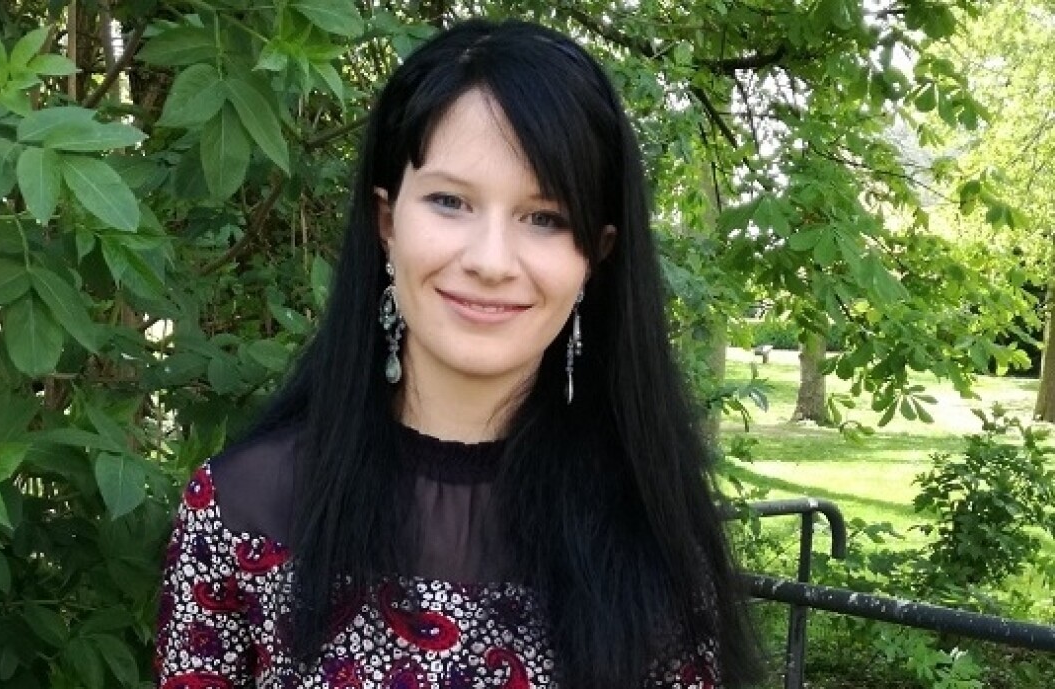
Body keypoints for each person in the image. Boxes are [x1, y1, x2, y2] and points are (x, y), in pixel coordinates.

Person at [156, 18, 762, 689]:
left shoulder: (649, 534)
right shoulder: (240, 513)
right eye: (450, 201)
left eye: (545, 217)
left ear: (597, 253)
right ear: (387, 221)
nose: (490, 261)